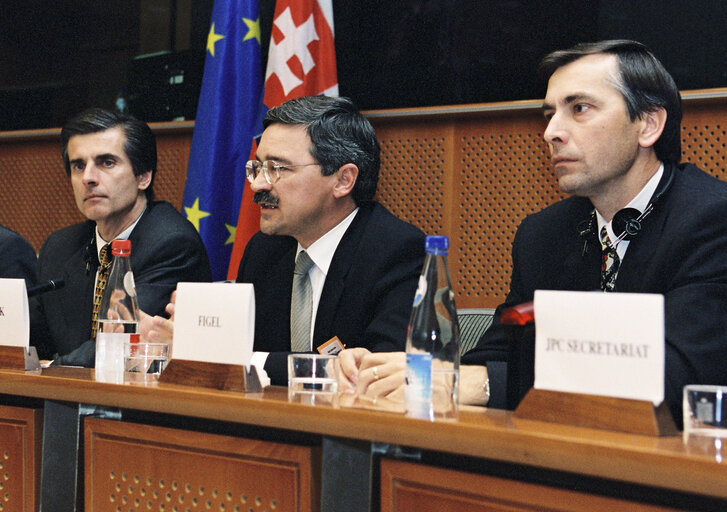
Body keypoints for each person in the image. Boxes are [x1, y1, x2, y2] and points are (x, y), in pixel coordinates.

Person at [340, 40, 727, 425]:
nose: (551, 132)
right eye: (549, 114)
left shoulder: (711, 220)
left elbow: (675, 379)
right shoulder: (544, 235)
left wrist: (478, 384)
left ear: (648, 124)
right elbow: (500, 354)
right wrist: (426, 375)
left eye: (579, 109)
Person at [145, 96, 425, 385]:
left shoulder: (398, 251)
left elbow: (379, 372)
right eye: (257, 168)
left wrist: (244, 359)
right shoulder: (264, 250)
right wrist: (195, 338)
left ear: (343, 180)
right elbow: (234, 353)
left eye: (277, 169)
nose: (258, 185)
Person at [31, 108, 211, 365]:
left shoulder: (171, 243)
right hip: (71, 399)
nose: (89, 178)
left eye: (107, 163)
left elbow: (116, 342)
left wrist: (49, 373)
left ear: (143, 177)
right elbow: (33, 337)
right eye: (79, 166)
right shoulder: (59, 246)